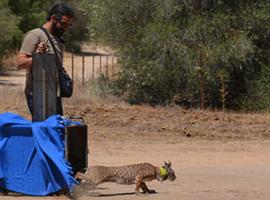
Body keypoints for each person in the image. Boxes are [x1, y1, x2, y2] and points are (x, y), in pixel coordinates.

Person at [16, 3, 74, 115]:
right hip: (38, 95)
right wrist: (38, 58)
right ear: (53, 18)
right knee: (44, 131)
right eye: (63, 24)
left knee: (56, 130)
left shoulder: (57, 39)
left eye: (68, 25)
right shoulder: (35, 35)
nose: (65, 28)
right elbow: (20, 63)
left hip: (54, 94)